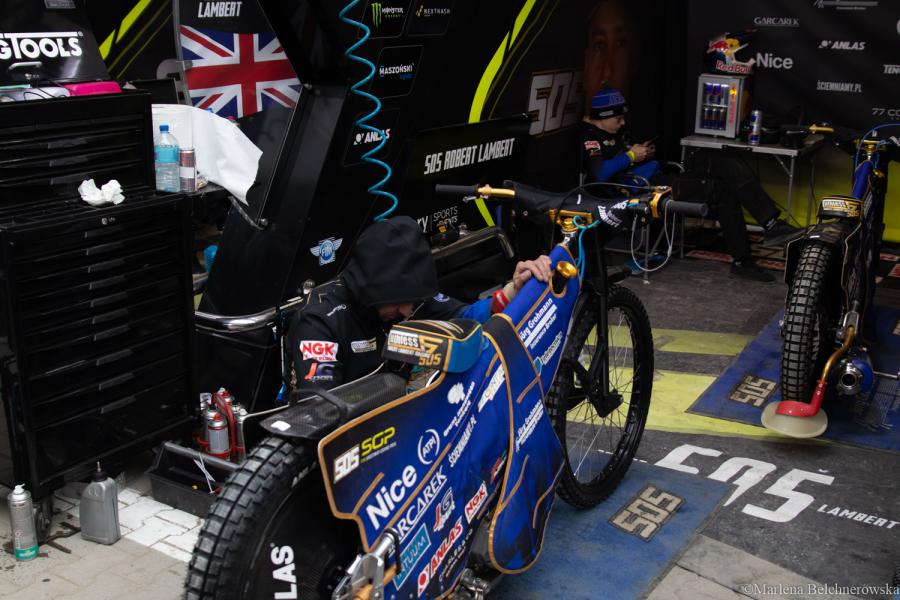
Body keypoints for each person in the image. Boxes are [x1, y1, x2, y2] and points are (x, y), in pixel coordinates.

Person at [288, 216, 552, 391]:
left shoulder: (410, 300)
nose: (407, 312)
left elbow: (467, 320)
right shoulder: (319, 321)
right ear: (375, 291)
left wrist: (515, 289)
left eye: (412, 302)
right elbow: (321, 410)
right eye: (401, 303)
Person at [579, 86, 798, 282]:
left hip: (657, 179)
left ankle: (770, 226)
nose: (623, 123)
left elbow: (626, 156)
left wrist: (642, 153)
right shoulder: (590, 137)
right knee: (721, 190)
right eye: (618, 119)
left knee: (725, 163)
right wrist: (631, 156)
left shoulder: (617, 132)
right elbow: (599, 173)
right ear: (603, 116)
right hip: (641, 190)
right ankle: (746, 257)